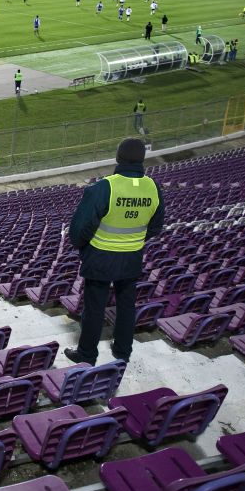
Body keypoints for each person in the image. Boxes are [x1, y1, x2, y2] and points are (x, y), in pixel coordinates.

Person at [63, 138, 164, 366]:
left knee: (95, 308)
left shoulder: (104, 187)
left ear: (118, 158)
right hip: (132, 257)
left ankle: (87, 354)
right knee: (126, 305)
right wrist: (132, 240)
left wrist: (81, 246)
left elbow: (81, 227)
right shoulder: (153, 187)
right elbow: (156, 226)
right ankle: (123, 351)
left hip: (100, 256)